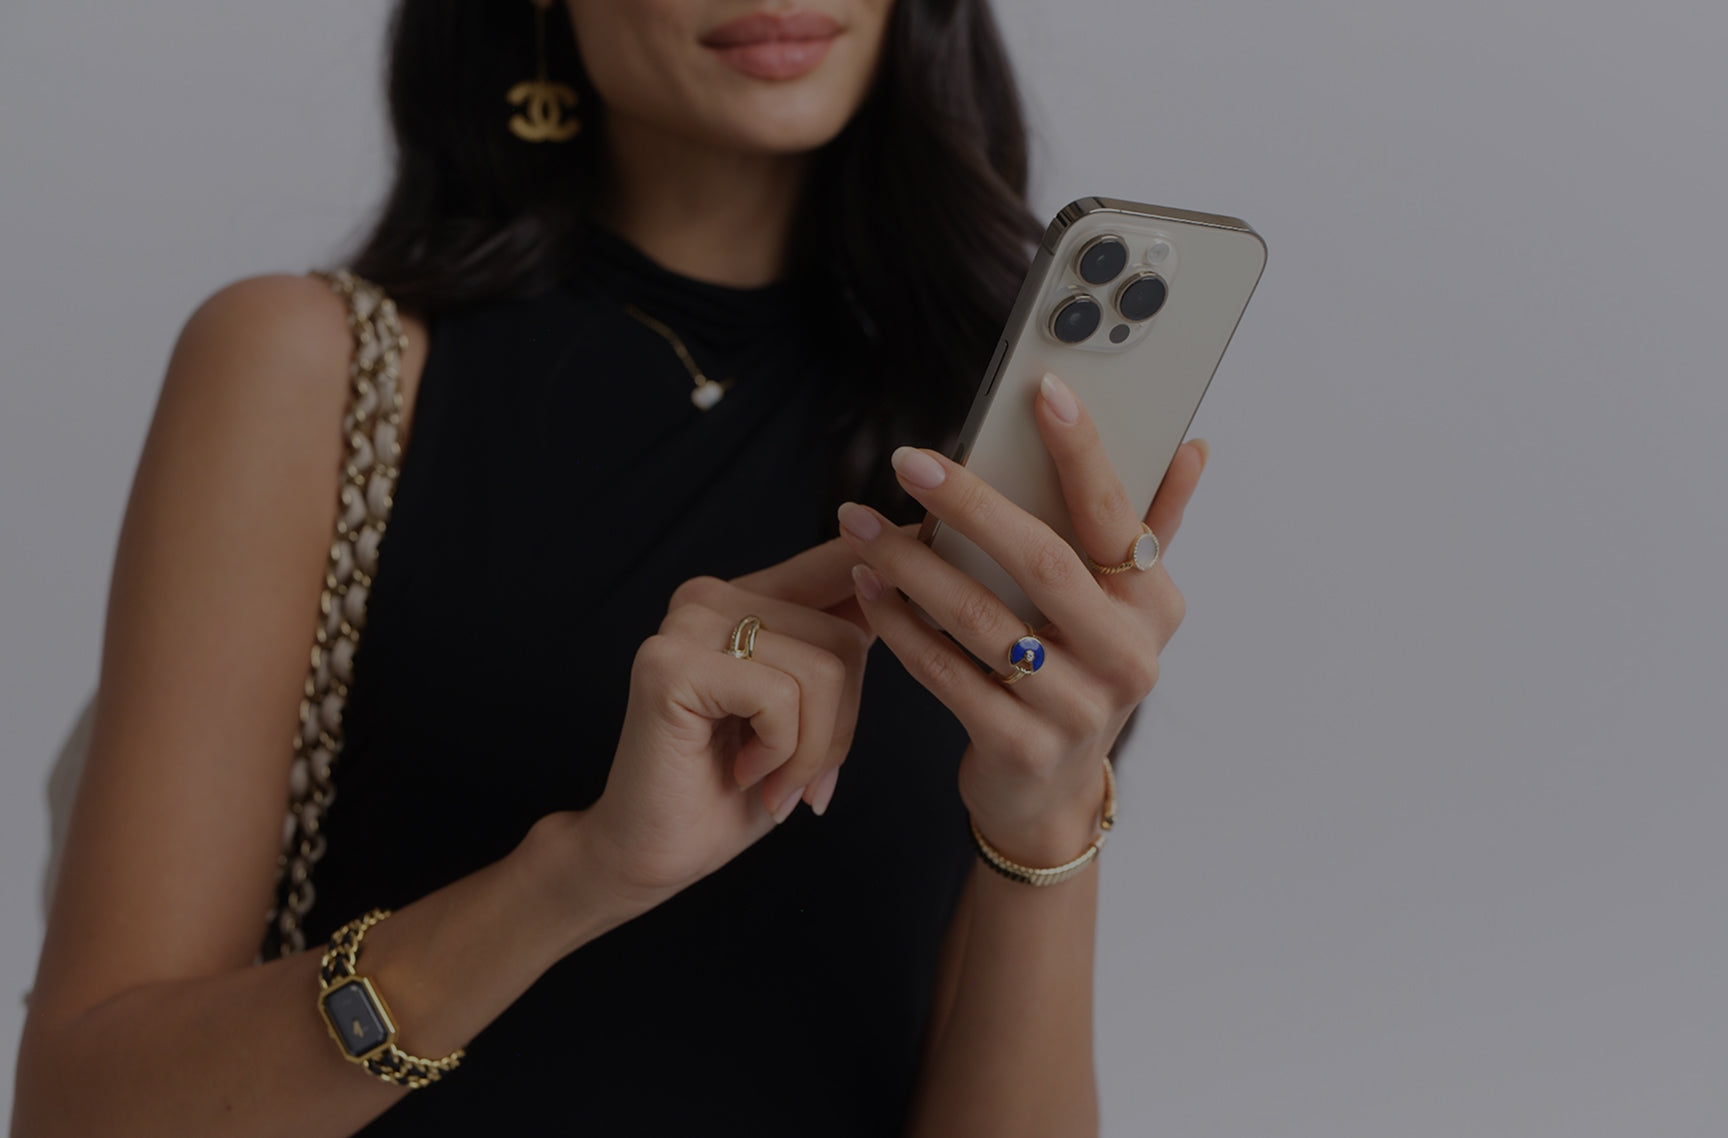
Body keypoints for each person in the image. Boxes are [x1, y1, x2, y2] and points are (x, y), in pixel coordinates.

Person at [11, 1, 1207, 1134]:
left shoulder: (987, 464)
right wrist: (580, 874)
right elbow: (79, 1110)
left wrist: (1046, 823)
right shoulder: (315, 373)